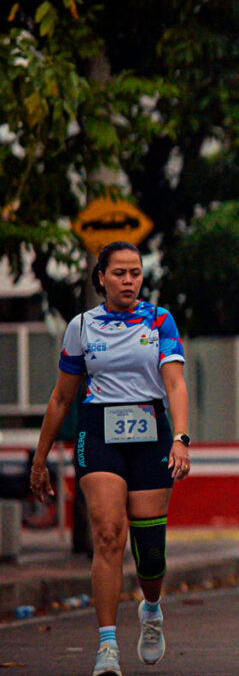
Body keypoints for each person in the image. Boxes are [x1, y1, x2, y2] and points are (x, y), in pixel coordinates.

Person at [30, 241, 190, 676]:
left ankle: (151, 610)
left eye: (135, 273)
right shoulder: (81, 326)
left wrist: (180, 438)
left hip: (150, 430)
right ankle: (106, 647)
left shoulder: (160, 320)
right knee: (107, 535)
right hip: (100, 430)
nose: (128, 281)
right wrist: (40, 458)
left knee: (150, 553)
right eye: (119, 273)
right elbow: (63, 397)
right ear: (100, 277)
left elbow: (174, 384)